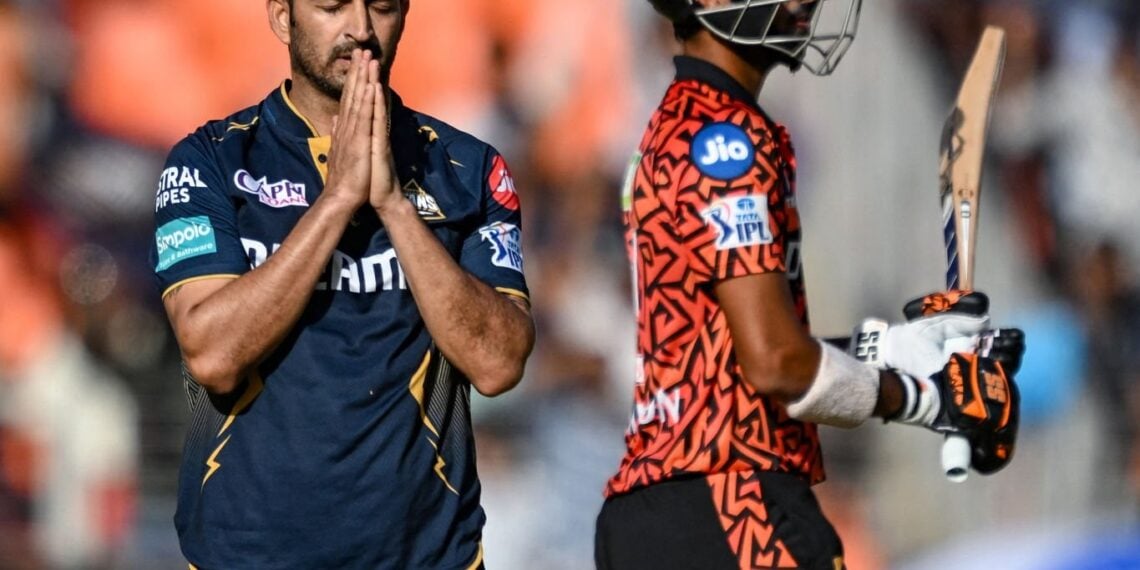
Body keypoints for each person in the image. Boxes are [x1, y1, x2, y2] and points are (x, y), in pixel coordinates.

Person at [595, 1, 1024, 569]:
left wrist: (893, 348)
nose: (803, 2)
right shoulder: (726, 139)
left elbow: (728, 358)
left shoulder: (677, 124)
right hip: (734, 503)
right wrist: (926, 399)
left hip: (658, 510)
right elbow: (776, 363)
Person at [148, 0, 535, 568]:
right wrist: (337, 201)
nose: (361, 30)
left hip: (429, 557)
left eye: (381, 7)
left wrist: (392, 204)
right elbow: (212, 354)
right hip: (245, 556)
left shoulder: (468, 169)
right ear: (282, 17)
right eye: (331, 6)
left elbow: (499, 364)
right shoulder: (210, 161)